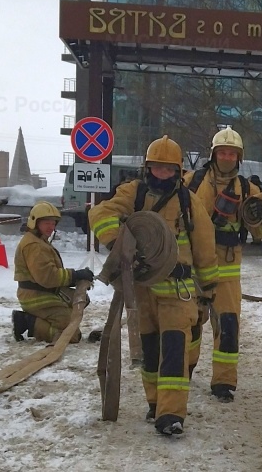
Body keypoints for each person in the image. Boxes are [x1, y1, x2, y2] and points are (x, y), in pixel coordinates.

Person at [88, 135, 220, 437]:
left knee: (174, 350)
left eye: (168, 169)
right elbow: (100, 214)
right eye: (157, 168)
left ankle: (171, 414)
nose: (162, 173)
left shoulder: (189, 202)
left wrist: (208, 290)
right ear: (148, 168)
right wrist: (118, 243)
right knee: (148, 351)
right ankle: (155, 402)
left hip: (178, 290)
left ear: (177, 170)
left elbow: (204, 247)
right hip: (143, 291)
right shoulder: (132, 193)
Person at [183, 127, 262, 403]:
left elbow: (261, 234)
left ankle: (224, 382)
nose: (227, 157)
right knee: (190, 323)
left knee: (228, 326)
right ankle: (185, 369)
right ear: (214, 154)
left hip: (227, 270)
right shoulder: (191, 182)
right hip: (193, 266)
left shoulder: (247, 190)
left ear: (238, 157)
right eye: (223, 152)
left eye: (232, 153)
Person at [12, 201, 94, 344]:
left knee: (81, 300)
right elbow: (47, 277)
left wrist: (77, 278)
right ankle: (27, 322)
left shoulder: (39, 241)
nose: (51, 227)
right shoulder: (34, 245)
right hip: (37, 296)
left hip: (44, 291)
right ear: (35, 223)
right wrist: (75, 275)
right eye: (47, 223)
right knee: (72, 335)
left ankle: (48, 318)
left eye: (53, 223)